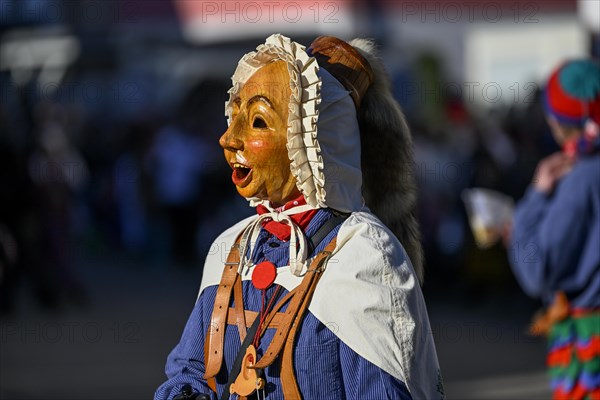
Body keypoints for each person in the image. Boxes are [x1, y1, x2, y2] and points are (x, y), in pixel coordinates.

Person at [155, 34, 443, 400]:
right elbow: (189, 372)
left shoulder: (366, 257)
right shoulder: (231, 246)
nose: (228, 138)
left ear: (313, 142)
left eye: (257, 122)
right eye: (235, 115)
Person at [508, 59, 600, 399]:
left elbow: (537, 270)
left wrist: (532, 204)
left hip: (590, 351)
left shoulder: (582, 178)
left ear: (557, 122)